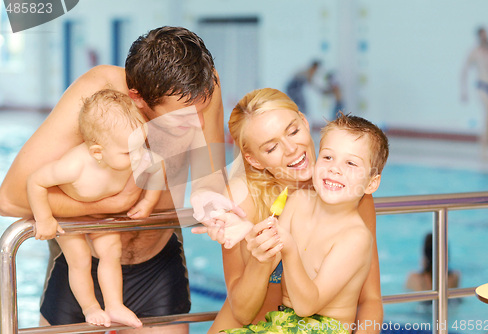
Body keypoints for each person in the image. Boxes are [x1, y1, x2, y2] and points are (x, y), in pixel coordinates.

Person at [0, 26, 226, 334]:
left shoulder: (199, 86)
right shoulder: (96, 97)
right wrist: (115, 203)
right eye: (181, 119)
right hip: (84, 265)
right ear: (137, 99)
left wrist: (219, 206)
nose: (197, 124)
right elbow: (9, 199)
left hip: (158, 261)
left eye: (201, 111)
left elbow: (211, 182)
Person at [193, 88, 384, 334]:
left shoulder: (351, 194)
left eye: (293, 131)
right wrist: (257, 248)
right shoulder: (241, 201)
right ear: (254, 160)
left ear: (304, 122)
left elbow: (370, 300)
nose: (291, 149)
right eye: (271, 148)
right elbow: (242, 312)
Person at [27, 89, 165, 328]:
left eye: (140, 146)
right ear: (98, 152)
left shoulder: (136, 155)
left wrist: (147, 202)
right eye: (128, 152)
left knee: (111, 251)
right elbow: (35, 181)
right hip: (70, 218)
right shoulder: (74, 166)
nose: (138, 156)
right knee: (79, 258)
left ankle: (114, 305)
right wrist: (44, 218)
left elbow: (158, 166)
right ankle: (90, 306)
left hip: (101, 216)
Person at [461, 27, 488, 161]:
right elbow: (464, 70)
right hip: (482, 86)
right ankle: (484, 149)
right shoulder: (475, 52)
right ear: (479, 37)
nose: (485, 38)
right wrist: (464, 90)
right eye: (483, 36)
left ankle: (485, 145)